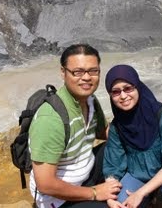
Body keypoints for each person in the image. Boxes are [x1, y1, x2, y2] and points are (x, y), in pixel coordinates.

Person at [29, 44, 122, 208]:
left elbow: (105, 133)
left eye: (93, 71)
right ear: (63, 73)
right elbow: (46, 184)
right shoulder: (51, 119)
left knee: (121, 144)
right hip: (58, 198)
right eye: (78, 72)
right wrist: (95, 193)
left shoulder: (90, 101)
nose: (86, 77)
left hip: (85, 172)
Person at [103, 65, 162, 208]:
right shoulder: (117, 126)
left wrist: (140, 193)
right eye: (116, 92)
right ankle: (152, 196)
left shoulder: (161, 117)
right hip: (139, 171)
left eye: (128, 88)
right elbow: (113, 166)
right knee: (121, 200)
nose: (123, 96)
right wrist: (110, 198)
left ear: (138, 87)